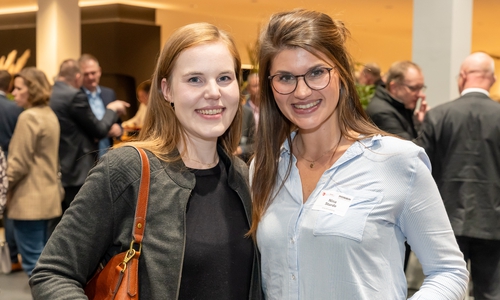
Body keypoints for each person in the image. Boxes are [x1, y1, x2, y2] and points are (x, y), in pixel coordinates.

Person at [30, 22, 261, 299]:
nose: (213, 92)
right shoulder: (128, 169)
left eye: (224, 78)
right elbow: (53, 272)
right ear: (167, 90)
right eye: (194, 79)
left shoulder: (242, 177)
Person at [249, 9, 468, 299]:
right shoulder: (264, 169)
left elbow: (448, 271)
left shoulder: (397, 162)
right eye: (285, 77)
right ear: (270, 86)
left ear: (340, 73)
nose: (301, 92)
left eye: (316, 72)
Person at [417, 52, 500, 300]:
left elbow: (420, 167)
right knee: (492, 292)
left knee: (444, 289)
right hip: (494, 219)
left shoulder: (438, 116)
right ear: (493, 80)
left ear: (462, 77)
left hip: (445, 219)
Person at [49, 59, 128, 215]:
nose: (91, 77)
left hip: (69, 165)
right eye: (86, 74)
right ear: (78, 77)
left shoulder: (53, 93)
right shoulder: (74, 96)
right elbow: (97, 130)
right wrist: (111, 109)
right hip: (78, 167)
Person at [6, 67, 62, 276]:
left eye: (19, 88)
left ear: (32, 89)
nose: (15, 93)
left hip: (29, 200)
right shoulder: (49, 115)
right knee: (45, 260)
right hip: (48, 196)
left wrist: (3, 186)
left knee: (34, 266)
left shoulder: (28, 117)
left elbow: (18, 164)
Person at [366, 61, 428, 141]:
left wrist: (418, 123)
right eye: (414, 88)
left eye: (420, 88)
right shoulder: (382, 113)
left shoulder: (402, 105)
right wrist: (426, 125)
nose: (421, 95)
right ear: (394, 87)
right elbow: (410, 150)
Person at [0, 70, 23, 272]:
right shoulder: (15, 108)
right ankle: (12, 256)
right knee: (7, 208)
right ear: (9, 87)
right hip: (8, 160)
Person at [79, 54, 122, 157]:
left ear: (99, 71)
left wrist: (119, 129)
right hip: (86, 157)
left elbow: (118, 122)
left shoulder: (109, 93)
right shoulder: (76, 97)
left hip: (108, 156)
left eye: (93, 73)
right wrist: (101, 133)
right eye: (86, 74)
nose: (90, 77)